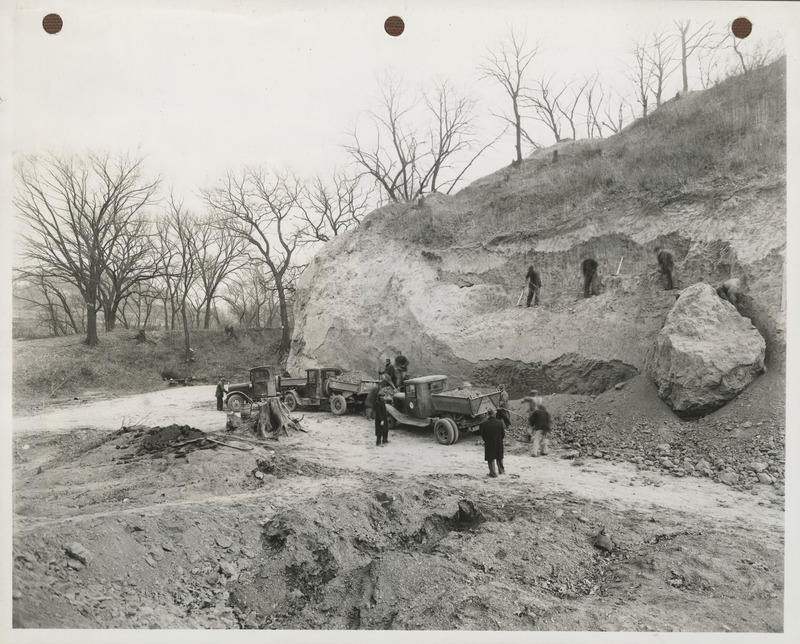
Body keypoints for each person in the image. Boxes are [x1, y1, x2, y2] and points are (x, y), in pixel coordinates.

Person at [479, 409, 506, 477]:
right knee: (499, 456)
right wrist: (500, 439)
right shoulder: (500, 423)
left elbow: (483, 435)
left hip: (489, 442)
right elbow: (503, 434)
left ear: (488, 415)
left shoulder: (484, 424)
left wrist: (487, 440)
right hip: (499, 441)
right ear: (494, 414)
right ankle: (501, 470)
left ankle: (493, 473)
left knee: (490, 458)